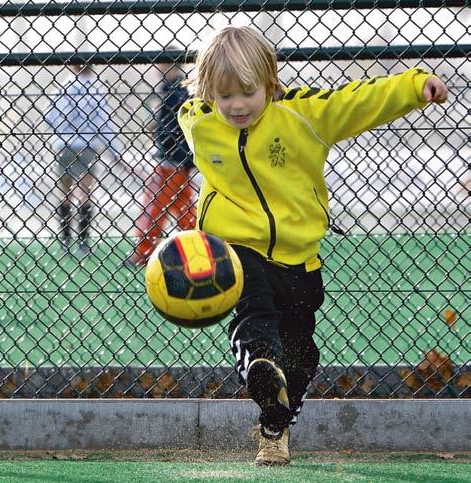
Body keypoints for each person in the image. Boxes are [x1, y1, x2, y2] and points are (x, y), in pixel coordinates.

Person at [178, 26, 448, 466]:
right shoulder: (197, 120)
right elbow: (201, 125)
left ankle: (275, 424)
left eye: (247, 92)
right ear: (208, 92)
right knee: (254, 313)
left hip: (299, 257)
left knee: (302, 356)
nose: (237, 105)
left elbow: (359, 102)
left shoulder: (304, 115)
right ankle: (260, 365)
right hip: (236, 248)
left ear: (270, 83)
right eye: (225, 96)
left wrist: (415, 85)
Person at [124, 51, 197, 266]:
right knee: (183, 208)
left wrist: (162, 138)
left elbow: (174, 126)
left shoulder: (176, 90)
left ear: (168, 64)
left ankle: (144, 251)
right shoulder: (179, 88)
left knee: (155, 204)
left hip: (171, 158)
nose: (156, 69)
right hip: (179, 159)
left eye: (160, 64)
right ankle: (196, 246)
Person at [44, 63, 122, 256]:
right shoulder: (95, 90)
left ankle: (65, 241)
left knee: (65, 193)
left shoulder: (63, 88)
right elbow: (104, 123)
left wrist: (63, 129)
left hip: (64, 144)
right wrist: (115, 151)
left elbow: (48, 115)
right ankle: (83, 243)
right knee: (85, 193)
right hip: (87, 144)